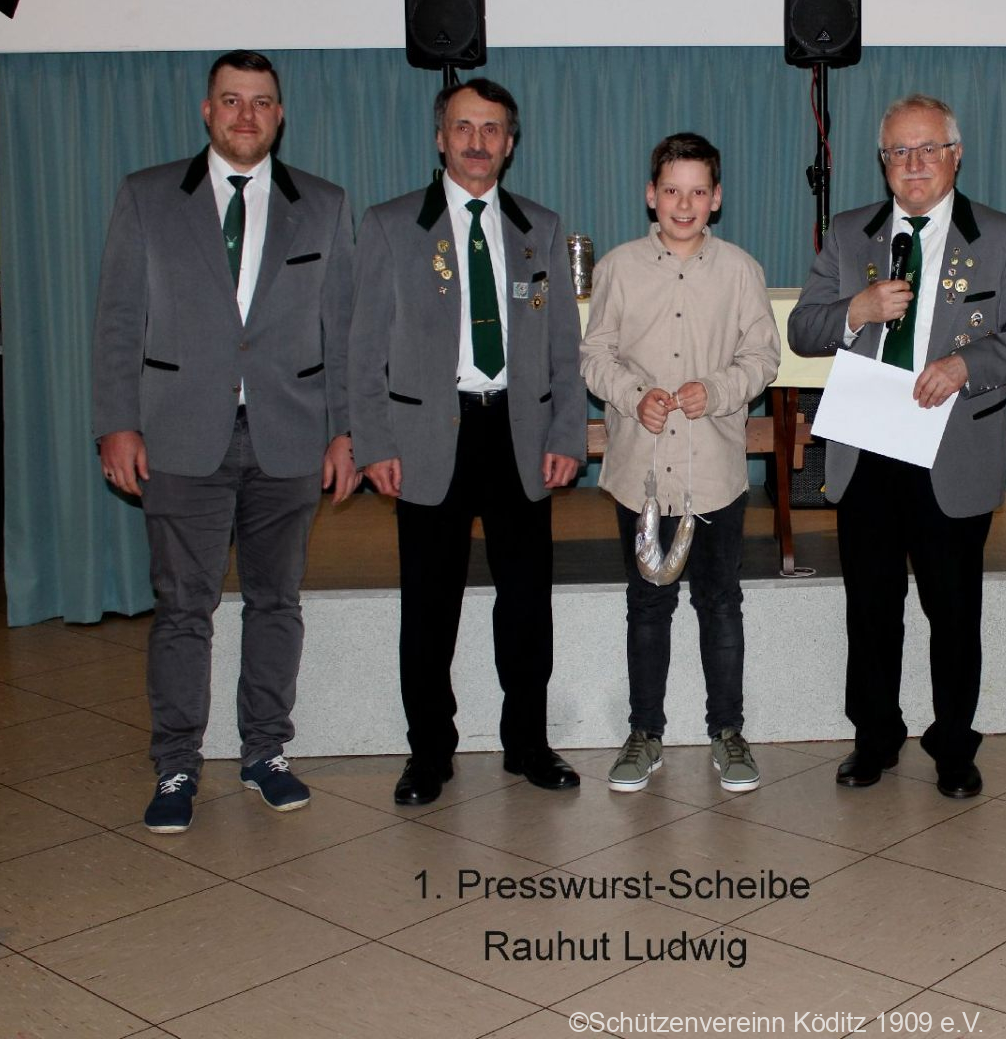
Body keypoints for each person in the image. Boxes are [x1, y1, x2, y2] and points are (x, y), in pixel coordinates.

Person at [91, 50, 358, 834]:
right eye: (232, 100)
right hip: (178, 434)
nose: (247, 115)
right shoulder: (147, 197)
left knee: (276, 603)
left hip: (289, 436)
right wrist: (115, 421)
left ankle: (264, 753)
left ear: (280, 115)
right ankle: (176, 764)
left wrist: (347, 431)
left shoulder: (323, 205)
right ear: (207, 111)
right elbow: (117, 320)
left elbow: (342, 329)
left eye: (261, 101)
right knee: (183, 609)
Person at [788, 94, 1006, 798]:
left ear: (955, 155)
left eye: (927, 148)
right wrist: (855, 310)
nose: (913, 164)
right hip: (867, 449)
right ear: (882, 162)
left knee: (953, 609)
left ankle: (954, 745)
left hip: (952, 450)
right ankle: (874, 738)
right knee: (871, 608)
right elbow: (804, 331)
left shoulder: (1004, 235)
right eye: (898, 152)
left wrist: (968, 365)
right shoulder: (849, 233)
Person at [348, 78, 585, 804]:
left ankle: (528, 744)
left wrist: (567, 431)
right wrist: (373, 443)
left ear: (510, 143)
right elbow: (363, 350)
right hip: (425, 436)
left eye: (491, 129)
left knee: (526, 604)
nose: (477, 142)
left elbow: (563, 346)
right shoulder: (391, 225)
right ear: (439, 138)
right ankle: (429, 753)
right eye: (463, 127)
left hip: (519, 434)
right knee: (429, 607)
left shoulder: (540, 227)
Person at [580, 133, 781, 793]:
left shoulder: (741, 271)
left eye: (698, 191)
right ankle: (645, 733)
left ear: (716, 198)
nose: (684, 204)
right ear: (651, 195)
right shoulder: (618, 268)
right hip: (640, 473)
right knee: (647, 605)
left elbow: (762, 357)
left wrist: (717, 391)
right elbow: (595, 355)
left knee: (720, 603)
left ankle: (728, 732)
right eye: (672, 190)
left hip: (714, 473)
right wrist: (633, 395)